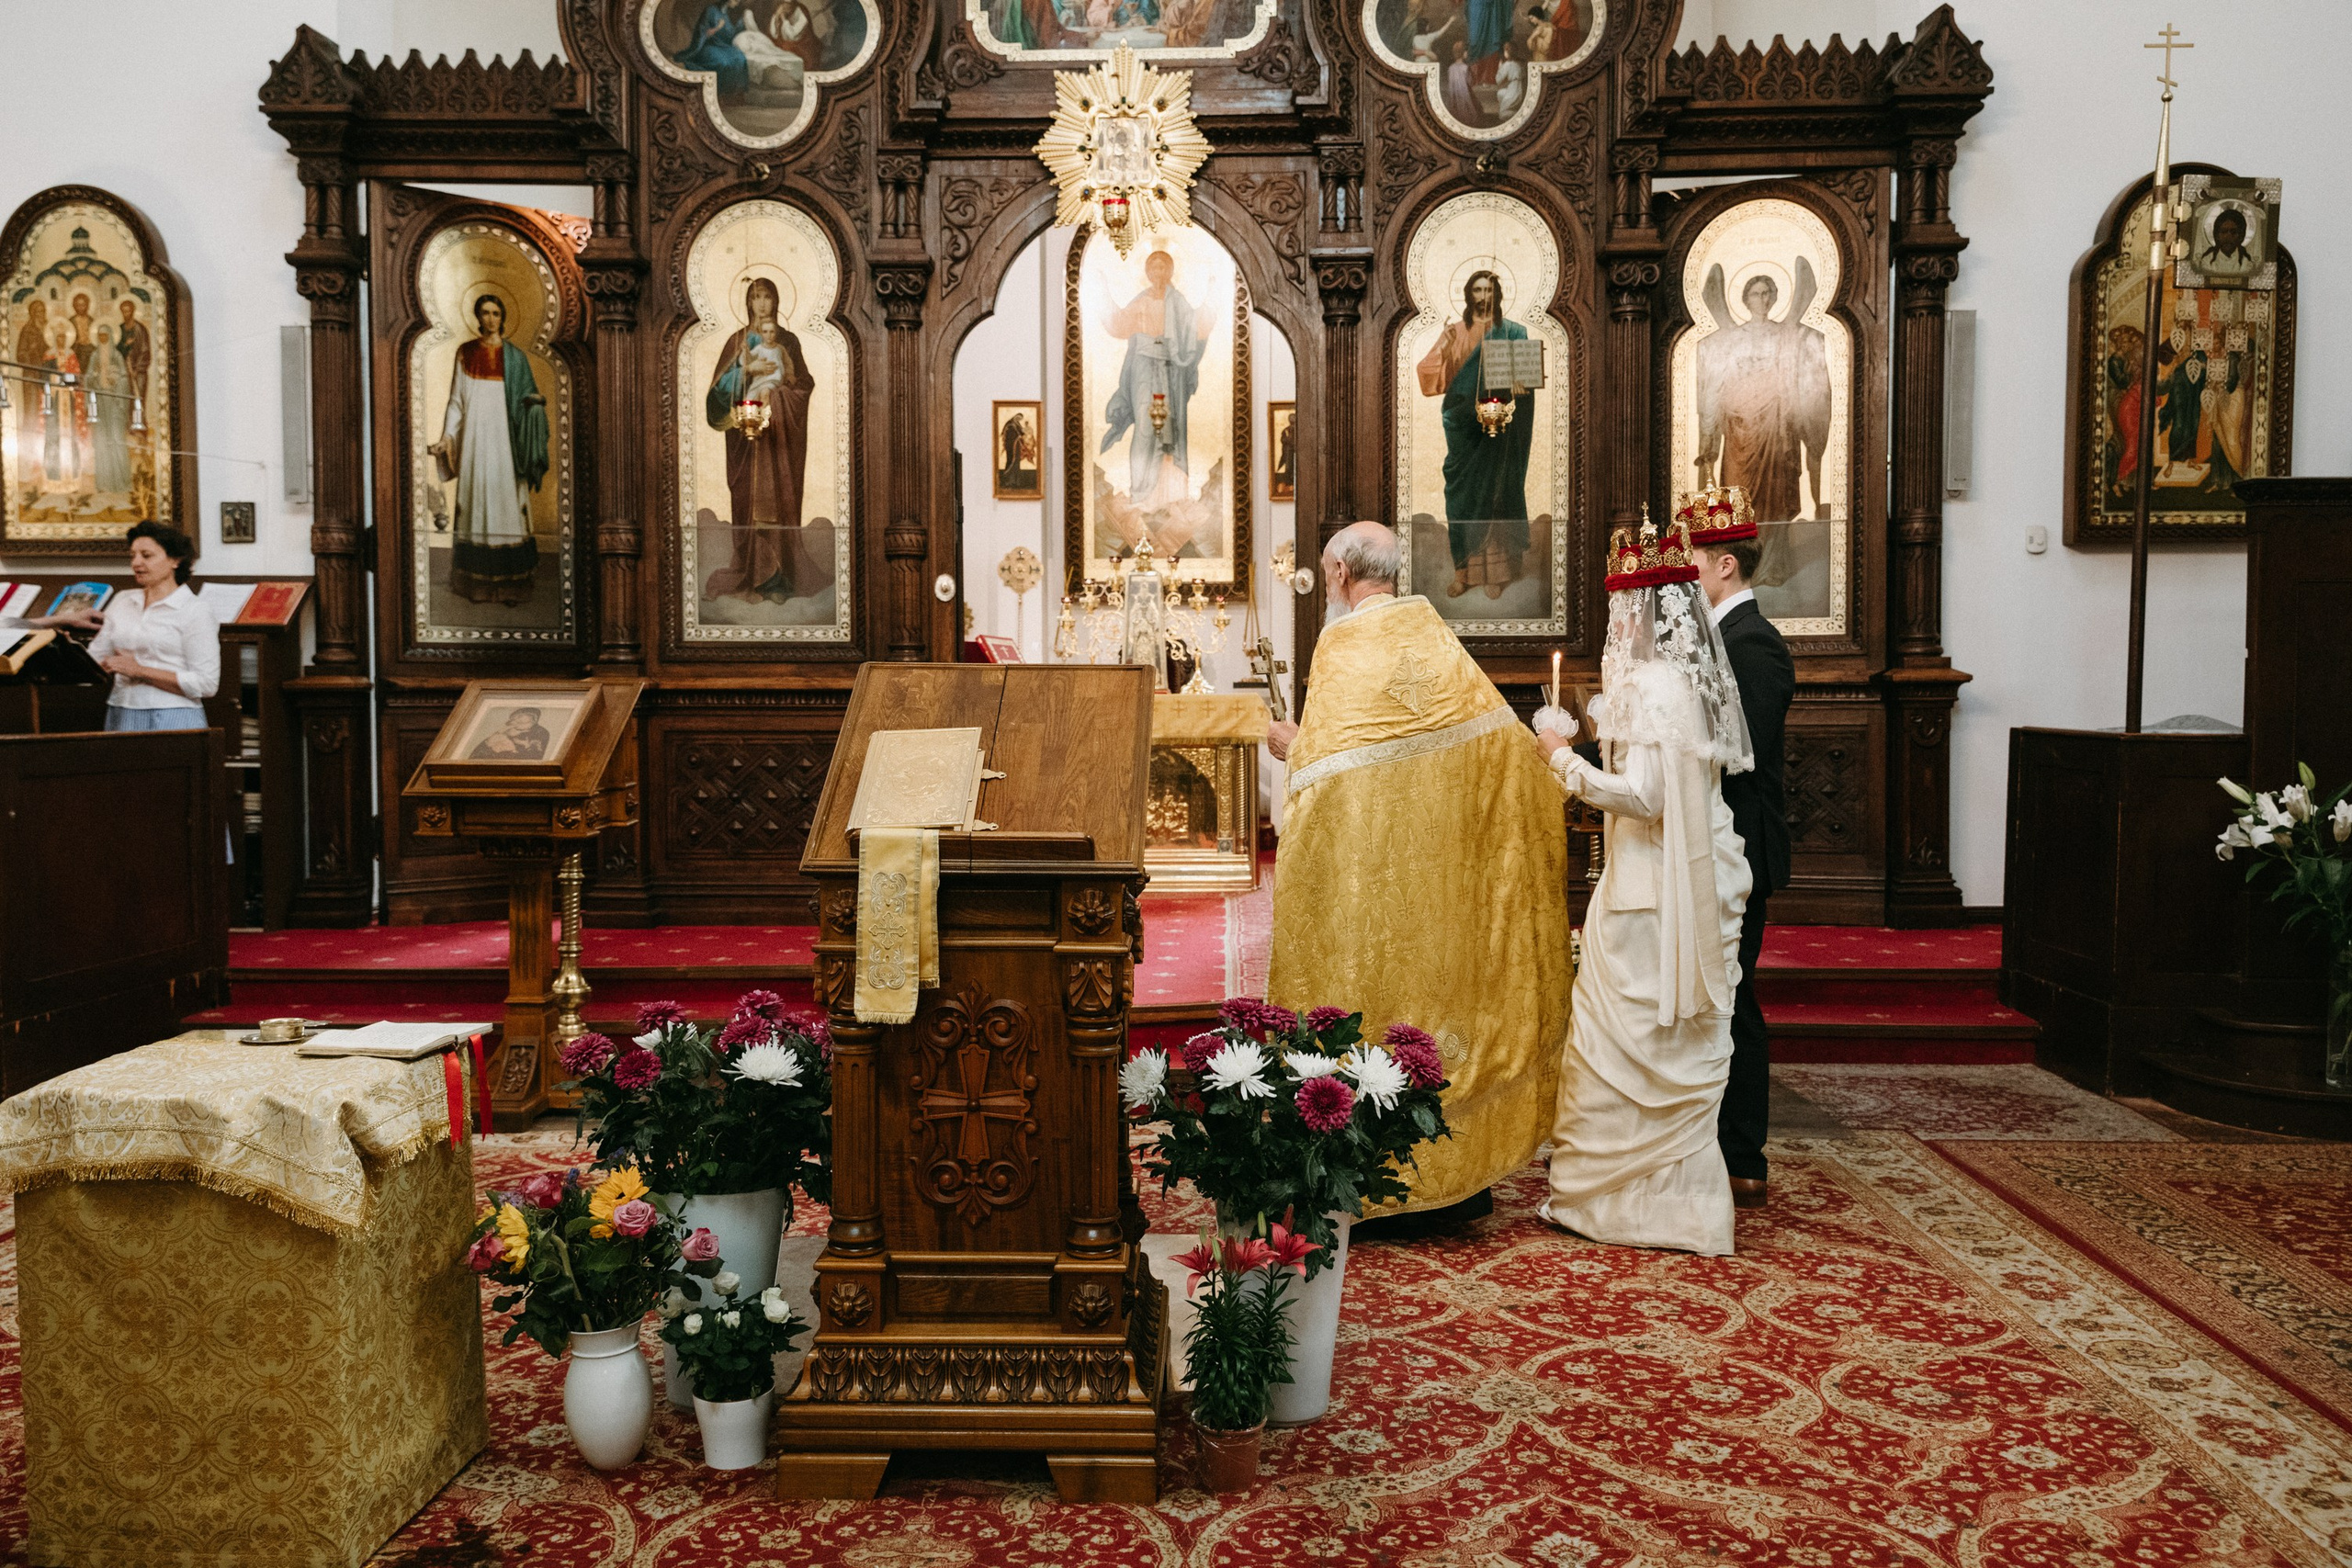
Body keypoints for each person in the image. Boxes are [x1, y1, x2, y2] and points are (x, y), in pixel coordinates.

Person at [1264, 522, 1569, 1235]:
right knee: (1438, 1017)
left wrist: (1293, 746)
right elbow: (1506, 749)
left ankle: (1361, 1179)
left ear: (1340, 575)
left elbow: (1324, 781)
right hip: (1440, 889)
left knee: (1366, 1014)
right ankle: (1453, 1183)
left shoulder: (1342, 646)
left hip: (1366, 893)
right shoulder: (1433, 637)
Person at [1532, 516, 1752, 1256]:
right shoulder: (1684, 683)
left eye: (1622, 608)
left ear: (1644, 610)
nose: (1616, 624)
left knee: (1626, 1038)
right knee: (1655, 1046)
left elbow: (1648, 796)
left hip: (1648, 895)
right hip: (1669, 878)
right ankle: (1670, 1205)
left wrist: (1563, 760)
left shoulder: (1653, 686)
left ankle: (1617, 1202)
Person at [1687, 498, 1792, 1210]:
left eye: (1694, 563)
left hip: (1742, 845)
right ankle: (1711, 1140)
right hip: (1715, 840)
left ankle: (1744, 1154)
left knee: (1735, 994)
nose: (1685, 576)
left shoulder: (1754, 643)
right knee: (1717, 991)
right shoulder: (1721, 636)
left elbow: (1733, 750)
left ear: (1726, 564)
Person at [1416, 269, 1534, 601]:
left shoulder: (1512, 332)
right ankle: (1463, 573)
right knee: (1462, 499)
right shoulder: (1455, 332)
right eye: (1478, 290)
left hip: (1500, 430)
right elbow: (1428, 375)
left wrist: (1520, 385)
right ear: (1469, 294)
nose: (1484, 296)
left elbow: (1526, 380)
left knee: (1496, 495)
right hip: (1463, 429)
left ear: (1497, 295)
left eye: (1489, 290)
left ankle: (1497, 574)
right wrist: (1443, 348)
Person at [703, 277, 818, 604]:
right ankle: (749, 574)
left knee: (779, 503)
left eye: (768, 296)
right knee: (747, 504)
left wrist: (777, 396)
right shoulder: (738, 341)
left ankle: (779, 581)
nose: (762, 303)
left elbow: (803, 384)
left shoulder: (788, 342)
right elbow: (717, 395)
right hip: (746, 442)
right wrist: (746, 371)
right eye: (756, 297)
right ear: (748, 303)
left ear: (777, 301)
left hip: (780, 440)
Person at [430, 293, 548, 605]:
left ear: (503, 316)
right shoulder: (466, 353)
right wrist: (447, 436)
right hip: (475, 443)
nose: (491, 319)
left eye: (496, 313)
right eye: (485, 313)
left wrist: (533, 406)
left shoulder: (515, 358)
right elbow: (457, 402)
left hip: (506, 443)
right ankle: (477, 584)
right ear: (478, 317)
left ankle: (513, 584)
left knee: (507, 504)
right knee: (476, 503)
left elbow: (529, 397)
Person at [1100, 249, 1211, 509]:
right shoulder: (1141, 301)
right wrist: (1102, 292)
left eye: (1163, 268)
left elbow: (1196, 327)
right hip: (1143, 367)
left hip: (1171, 369)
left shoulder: (1178, 302)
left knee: (1173, 426)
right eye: (1154, 268)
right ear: (1148, 273)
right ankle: (1141, 493)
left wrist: (1211, 300)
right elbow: (1119, 323)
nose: (1158, 273)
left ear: (1169, 271)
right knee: (1145, 426)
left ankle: (1171, 496)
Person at [87, 521, 220, 732]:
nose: (136, 563)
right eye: (133, 556)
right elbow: (95, 657)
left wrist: (140, 670)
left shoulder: (195, 610)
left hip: (174, 714)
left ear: (175, 560)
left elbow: (206, 684)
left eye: (146, 556)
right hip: (121, 709)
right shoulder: (123, 600)